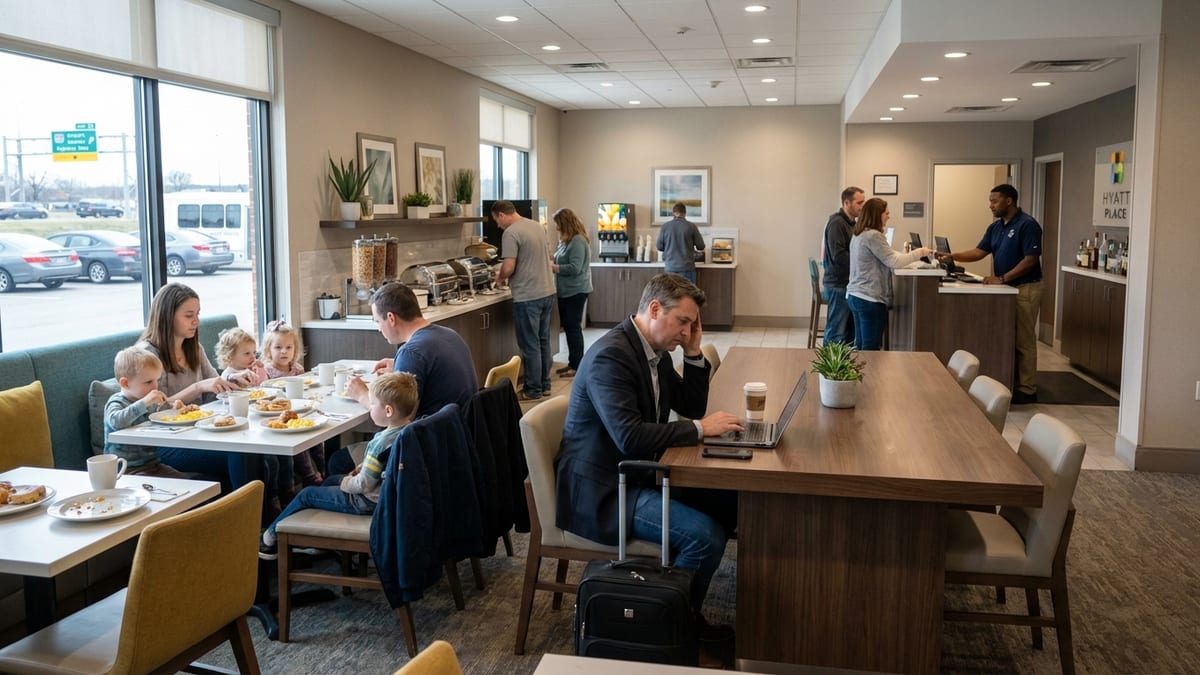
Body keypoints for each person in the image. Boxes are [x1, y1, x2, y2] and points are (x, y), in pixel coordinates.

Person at [555, 273, 743, 641]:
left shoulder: (654, 352)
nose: (686, 332)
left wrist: (693, 352)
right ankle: (672, 631)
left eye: (691, 325)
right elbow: (630, 437)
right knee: (704, 537)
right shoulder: (612, 357)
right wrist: (700, 429)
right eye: (682, 322)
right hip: (604, 490)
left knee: (730, 500)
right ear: (654, 309)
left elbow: (690, 406)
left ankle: (680, 606)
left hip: (638, 472)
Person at [258, 371, 418, 560]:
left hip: (367, 501)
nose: (371, 408)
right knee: (329, 481)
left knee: (307, 494)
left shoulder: (380, 444)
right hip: (384, 496)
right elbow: (382, 465)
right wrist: (360, 468)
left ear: (388, 411)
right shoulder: (409, 431)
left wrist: (345, 481)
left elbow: (363, 485)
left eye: (373, 404)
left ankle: (269, 539)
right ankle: (316, 541)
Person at [333, 282, 477, 476]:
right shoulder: (449, 335)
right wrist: (399, 367)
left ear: (391, 318)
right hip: (457, 440)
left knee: (337, 461)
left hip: (426, 451)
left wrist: (361, 394)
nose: (379, 329)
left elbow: (396, 418)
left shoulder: (411, 353)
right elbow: (432, 371)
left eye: (378, 321)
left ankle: (369, 494)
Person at [137, 282, 258, 494]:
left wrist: (232, 378)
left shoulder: (193, 347)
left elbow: (213, 385)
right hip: (168, 443)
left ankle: (269, 508)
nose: (196, 321)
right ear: (167, 316)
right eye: (189, 315)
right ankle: (251, 513)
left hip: (201, 432)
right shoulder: (147, 354)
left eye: (197, 314)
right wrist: (197, 387)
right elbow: (154, 408)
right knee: (240, 453)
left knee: (255, 446)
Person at [937, 184, 1044, 404]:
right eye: (990, 201)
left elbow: (1031, 260)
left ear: (1009, 201)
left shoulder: (1027, 224)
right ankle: (1012, 381)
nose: (990, 205)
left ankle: (1027, 389)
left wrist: (1003, 278)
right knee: (1008, 336)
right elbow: (979, 252)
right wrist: (953, 256)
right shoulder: (996, 227)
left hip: (1025, 288)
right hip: (1005, 288)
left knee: (1023, 339)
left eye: (994, 201)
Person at [846, 198, 933, 350]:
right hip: (869, 298)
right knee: (870, 349)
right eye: (886, 213)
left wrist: (909, 257)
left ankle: (861, 367)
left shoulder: (860, 234)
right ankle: (869, 367)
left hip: (856, 295)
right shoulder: (873, 236)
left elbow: (889, 255)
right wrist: (919, 253)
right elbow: (894, 261)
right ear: (877, 215)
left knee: (860, 346)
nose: (888, 216)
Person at [491, 199, 556, 401]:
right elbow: (548, 257)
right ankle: (545, 385)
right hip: (547, 291)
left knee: (530, 344)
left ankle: (532, 389)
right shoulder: (536, 226)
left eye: (496, 220)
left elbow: (509, 266)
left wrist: (499, 278)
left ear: (502, 214)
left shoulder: (511, 233)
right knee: (543, 341)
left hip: (528, 295)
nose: (497, 225)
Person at [103, 346, 190, 478]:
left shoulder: (148, 401)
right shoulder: (116, 402)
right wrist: (144, 402)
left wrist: (176, 410)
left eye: (157, 380)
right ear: (125, 383)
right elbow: (116, 422)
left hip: (153, 465)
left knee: (185, 483)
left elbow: (162, 416)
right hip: (125, 469)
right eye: (148, 382)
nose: (155, 386)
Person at [260, 319, 323, 487]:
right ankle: (309, 475)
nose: (284, 352)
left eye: (289, 347)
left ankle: (322, 469)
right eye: (278, 347)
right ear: (268, 350)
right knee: (299, 441)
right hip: (278, 416)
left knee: (317, 437)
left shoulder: (297, 369)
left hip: (299, 410)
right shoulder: (266, 371)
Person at [550, 207, 592, 378]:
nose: (556, 227)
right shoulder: (566, 241)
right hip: (566, 291)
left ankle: (577, 365)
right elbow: (560, 258)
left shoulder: (578, 241)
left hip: (576, 291)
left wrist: (555, 268)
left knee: (573, 328)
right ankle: (573, 362)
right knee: (569, 327)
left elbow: (575, 268)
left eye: (558, 224)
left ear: (565, 223)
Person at [822, 186, 865, 346]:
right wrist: (860, 264)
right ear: (847, 203)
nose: (862, 206)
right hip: (838, 284)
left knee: (848, 333)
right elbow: (839, 256)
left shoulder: (851, 224)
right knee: (836, 332)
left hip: (847, 284)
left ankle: (843, 362)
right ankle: (828, 362)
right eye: (859, 203)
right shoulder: (837, 223)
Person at [656, 202, 705, 283]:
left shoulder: (665, 227)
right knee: (688, 291)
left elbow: (659, 247)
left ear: (673, 213)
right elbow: (701, 246)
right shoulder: (691, 226)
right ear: (685, 213)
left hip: (670, 268)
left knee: (671, 291)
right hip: (687, 268)